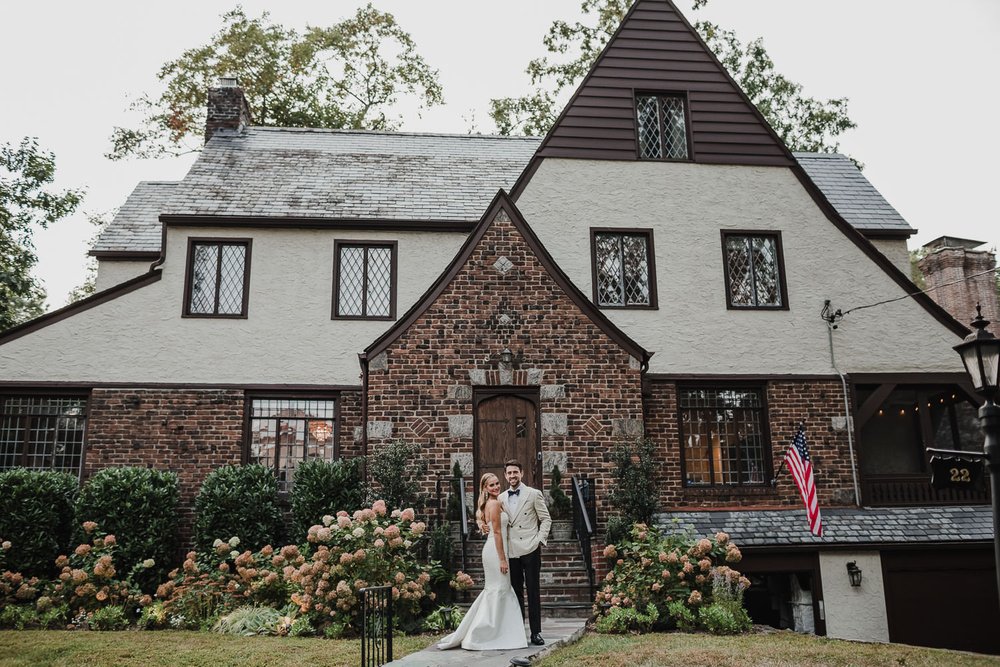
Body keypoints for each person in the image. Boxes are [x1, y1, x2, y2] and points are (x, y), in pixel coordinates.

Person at [437, 473, 527, 651]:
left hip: (495, 548)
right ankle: (486, 632)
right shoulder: (493, 504)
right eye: (491, 485)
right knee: (499, 590)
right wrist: (502, 559)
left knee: (497, 590)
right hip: (496, 550)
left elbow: (480, 516)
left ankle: (500, 631)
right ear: (485, 488)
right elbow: (499, 533)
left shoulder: (490, 503)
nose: (495, 487)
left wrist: (479, 522)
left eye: (496, 484)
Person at [499, 459, 551, 646]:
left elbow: (546, 519)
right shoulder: (501, 497)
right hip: (511, 550)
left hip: (530, 548)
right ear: (505, 476)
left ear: (521, 473)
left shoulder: (533, 494)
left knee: (533, 590)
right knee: (516, 592)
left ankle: (536, 633)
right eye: (509, 473)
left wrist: (539, 540)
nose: (512, 476)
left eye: (515, 472)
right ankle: (518, 632)